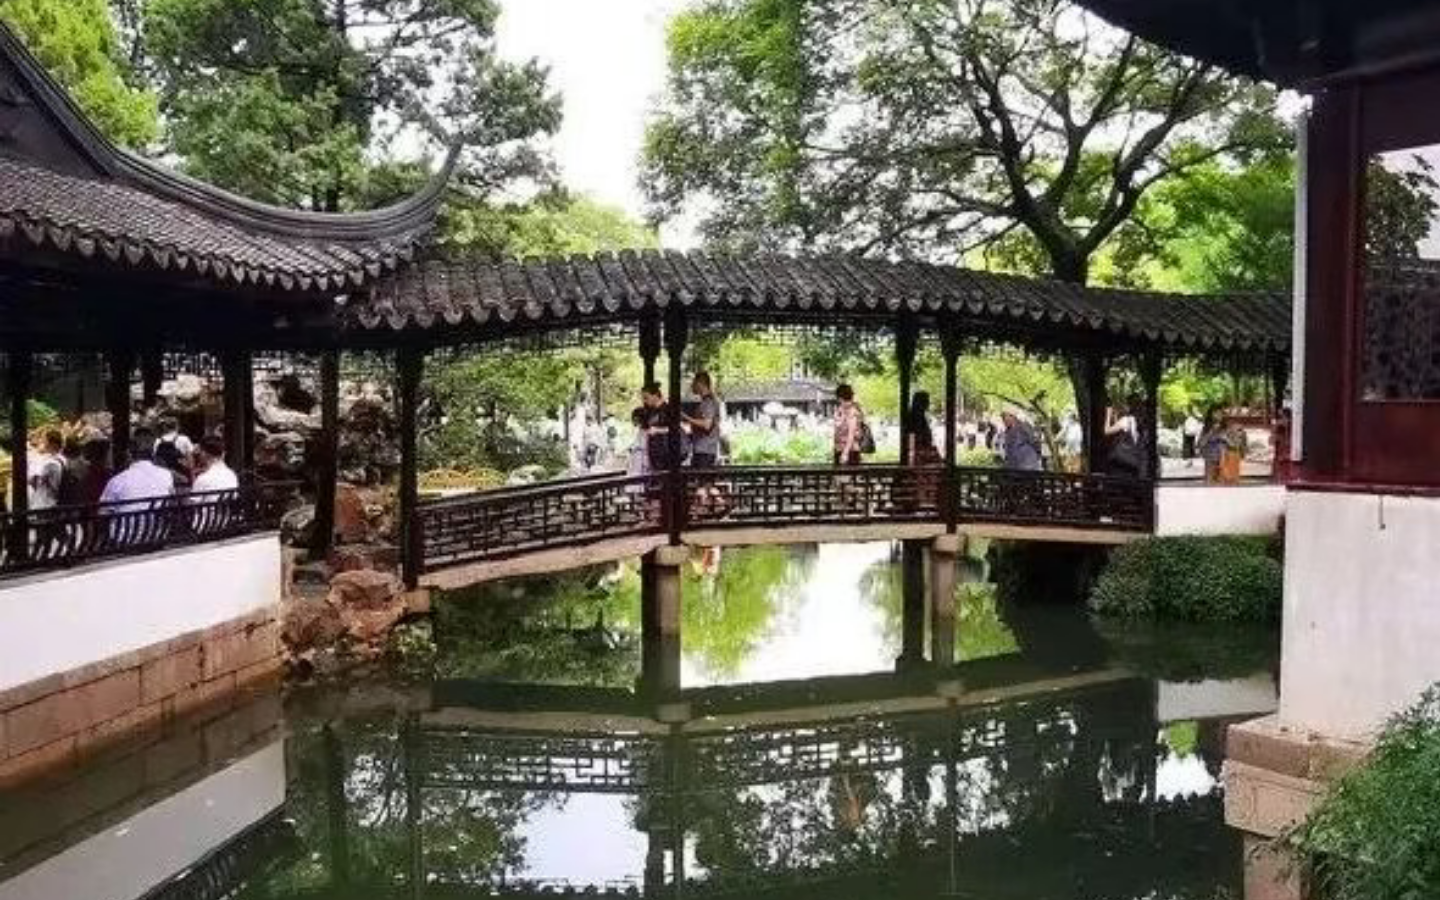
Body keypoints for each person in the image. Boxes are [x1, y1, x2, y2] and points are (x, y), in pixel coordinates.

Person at [100, 428, 176, 509]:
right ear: (152, 452)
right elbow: (171, 498)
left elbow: (103, 511)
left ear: (129, 453)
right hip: (158, 517)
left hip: (127, 517)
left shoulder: (117, 481)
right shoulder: (167, 475)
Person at [683, 371, 723, 468]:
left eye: (694, 383)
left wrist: (686, 418)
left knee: (702, 477)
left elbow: (707, 425)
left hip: (705, 451)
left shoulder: (708, 402)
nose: (692, 386)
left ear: (701, 384)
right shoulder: (707, 401)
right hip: (703, 450)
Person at [27, 429, 64, 511]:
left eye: (45, 440)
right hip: (52, 502)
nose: (42, 442)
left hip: (45, 503)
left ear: (52, 443)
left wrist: (33, 479)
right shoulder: (61, 458)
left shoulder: (51, 463)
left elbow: (34, 481)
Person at [832, 383, 866, 465]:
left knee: (847, 473)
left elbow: (851, 434)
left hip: (850, 451)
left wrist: (845, 453)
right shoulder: (841, 410)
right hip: (840, 450)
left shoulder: (852, 411)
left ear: (840, 397)